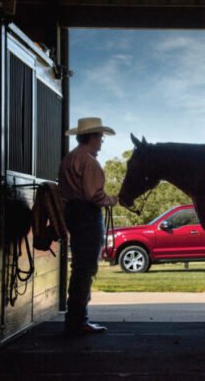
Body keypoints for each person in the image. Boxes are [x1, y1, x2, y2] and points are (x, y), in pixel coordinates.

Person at [58, 117, 118, 334]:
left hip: (73, 212)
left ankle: (75, 318)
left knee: (80, 266)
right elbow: (94, 195)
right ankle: (78, 320)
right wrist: (113, 200)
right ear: (92, 137)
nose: (101, 141)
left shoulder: (70, 158)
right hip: (87, 214)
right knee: (86, 267)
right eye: (100, 137)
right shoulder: (89, 161)